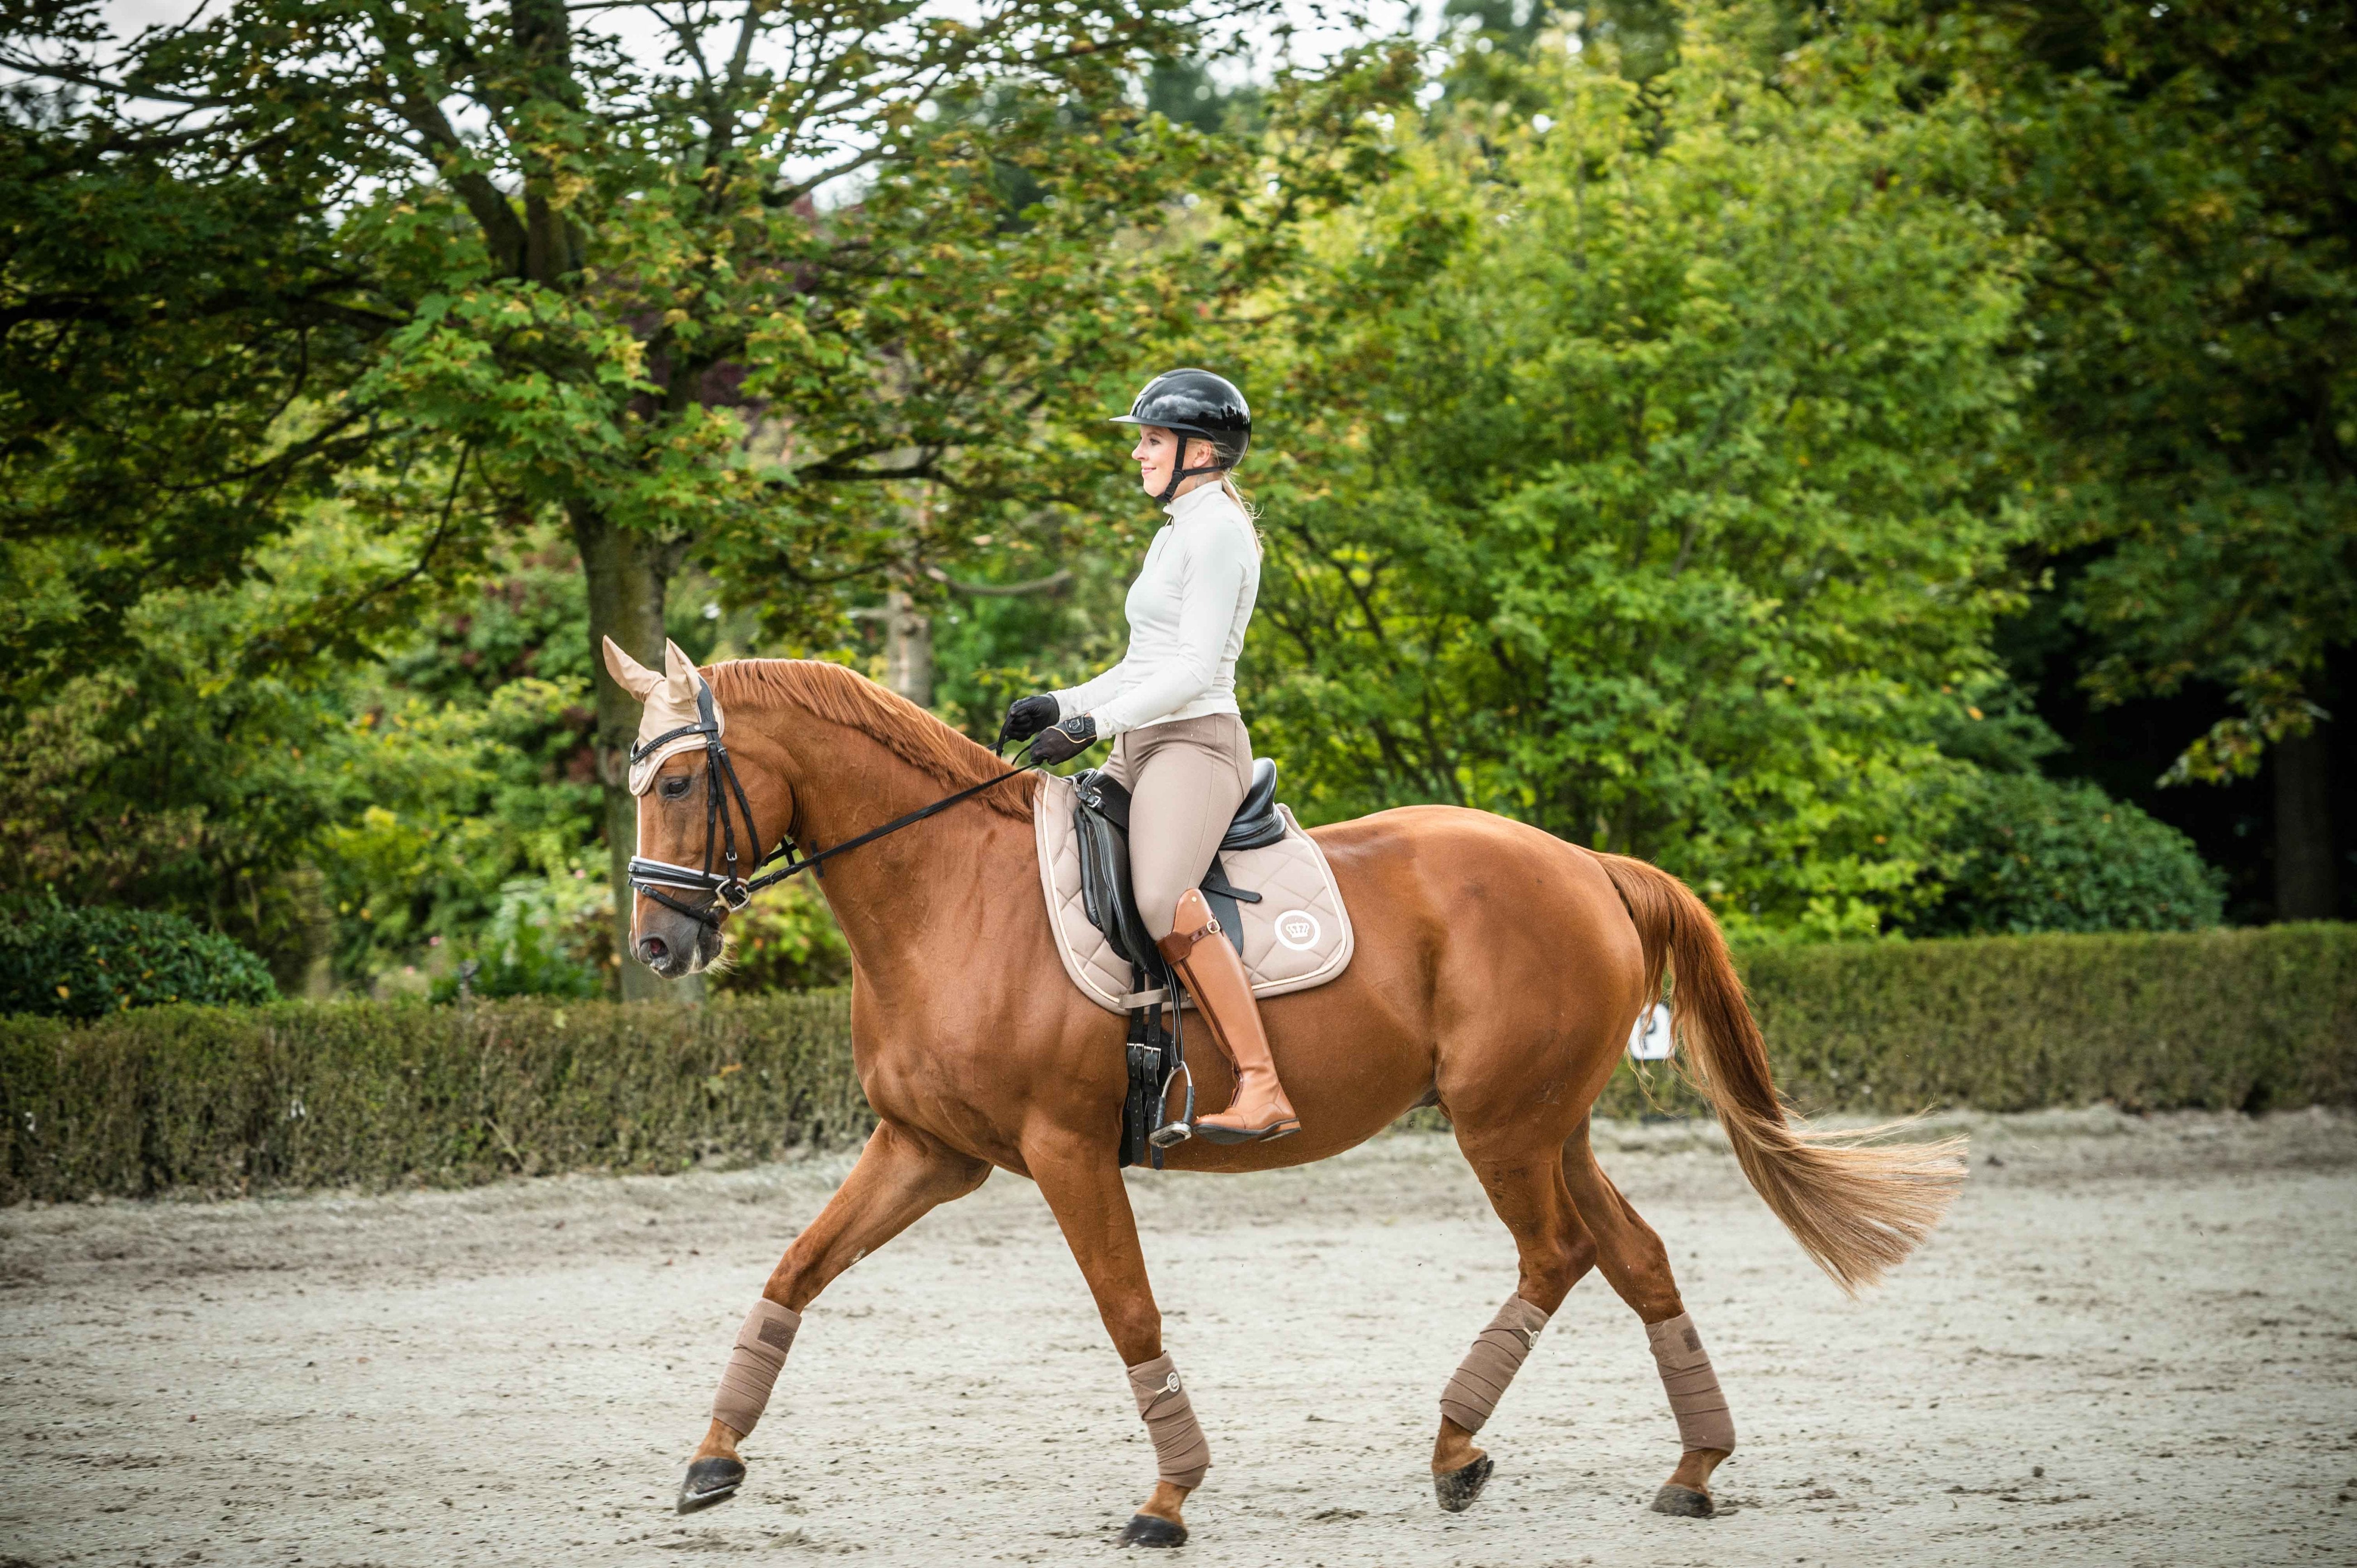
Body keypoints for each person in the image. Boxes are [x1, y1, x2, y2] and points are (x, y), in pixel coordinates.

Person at [1003, 368, 1299, 1144]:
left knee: (1163, 896)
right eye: (1141, 440)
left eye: (1152, 440)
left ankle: (1261, 1084)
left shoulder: (1217, 532)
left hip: (1195, 745)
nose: (1138, 453)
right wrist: (1061, 704)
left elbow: (1194, 671)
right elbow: (1144, 664)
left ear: (1199, 451)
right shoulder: (1175, 531)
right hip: (1141, 743)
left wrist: (1092, 725)